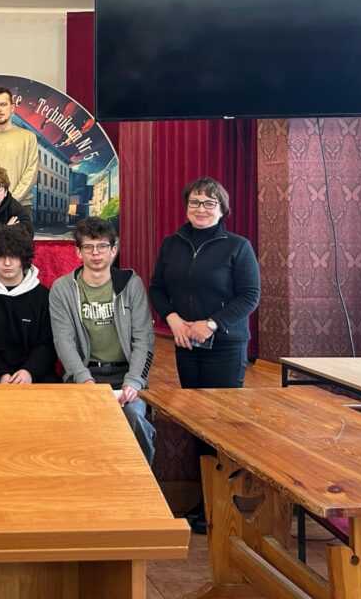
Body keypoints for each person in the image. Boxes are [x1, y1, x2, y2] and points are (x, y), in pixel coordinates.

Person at [149, 176, 260, 532]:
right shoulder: (172, 244)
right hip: (187, 346)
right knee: (198, 422)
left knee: (221, 425)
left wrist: (211, 324)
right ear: (186, 207)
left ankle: (225, 503)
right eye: (195, 202)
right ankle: (204, 500)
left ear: (222, 209)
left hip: (224, 346)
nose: (201, 209)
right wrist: (172, 319)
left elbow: (249, 296)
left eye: (209, 203)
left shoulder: (237, 247)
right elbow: (157, 288)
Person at [49, 217, 156, 465]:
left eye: (102, 246)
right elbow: (63, 340)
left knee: (135, 418)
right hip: (85, 375)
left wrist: (134, 381)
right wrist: (83, 379)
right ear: (78, 252)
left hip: (125, 374)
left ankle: (141, 481)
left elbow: (144, 338)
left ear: (113, 250)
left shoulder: (131, 284)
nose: (96, 253)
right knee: (77, 425)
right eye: (88, 247)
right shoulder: (62, 288)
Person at [0, 226, 56, 384]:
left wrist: (29, 372)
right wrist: (1, 374)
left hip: (36, 376)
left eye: (13, 256)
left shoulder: (44, 297)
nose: (7, 263)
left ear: (24, 258)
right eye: (0, 256)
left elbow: (49, 344)